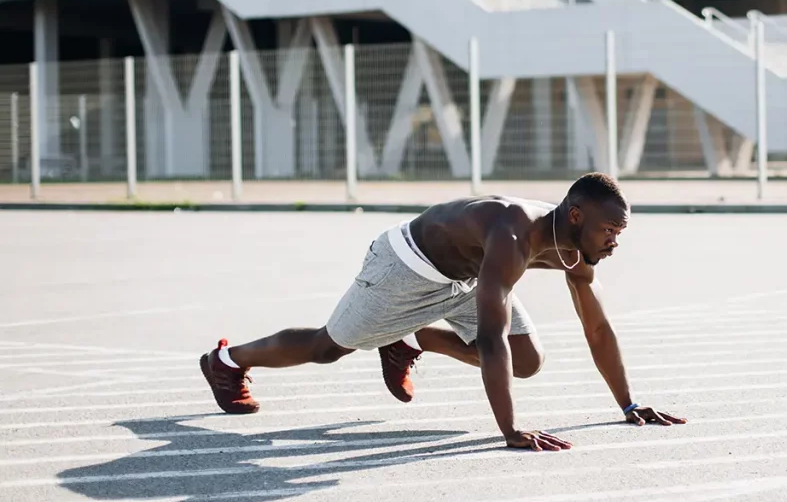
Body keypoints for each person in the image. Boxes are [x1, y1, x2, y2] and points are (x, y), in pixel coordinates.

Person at [200, 172, 686, 452]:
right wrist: (510, 430)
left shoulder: (579, 251)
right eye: (609, 231)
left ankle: (410, 340)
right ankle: (226, 362)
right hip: (406, 265)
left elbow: (597, 327)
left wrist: (627, 405)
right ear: (576, 216)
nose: (615, 241)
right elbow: (490, 339)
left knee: (529, 360)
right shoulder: (514, 232)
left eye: (620, 233)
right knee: (329, 347)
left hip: (467, 278)